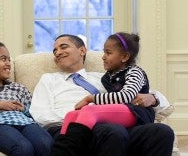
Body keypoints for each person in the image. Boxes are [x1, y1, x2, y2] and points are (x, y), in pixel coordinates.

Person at [30, 34, 174, 156]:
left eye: (63, 46)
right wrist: (85, 118)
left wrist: (153, 98)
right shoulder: (49, 79)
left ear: (82, 50)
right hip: (73, 129)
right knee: (113, 131)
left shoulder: (106, 77)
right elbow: (40, 114)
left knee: (162, 132)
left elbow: (157, 102)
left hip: (114, 125)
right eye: (54, 50)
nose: (57, 52)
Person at [52, 32, 155, 155]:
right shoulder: (107, 77)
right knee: (72, 115)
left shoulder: (134, 72)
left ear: (124, 57)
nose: (103, 57)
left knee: (89, 111)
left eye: (108, 53)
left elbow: (127, 96)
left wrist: (91, 98)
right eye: (104, 52)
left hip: (137, 112)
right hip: (119, 112)